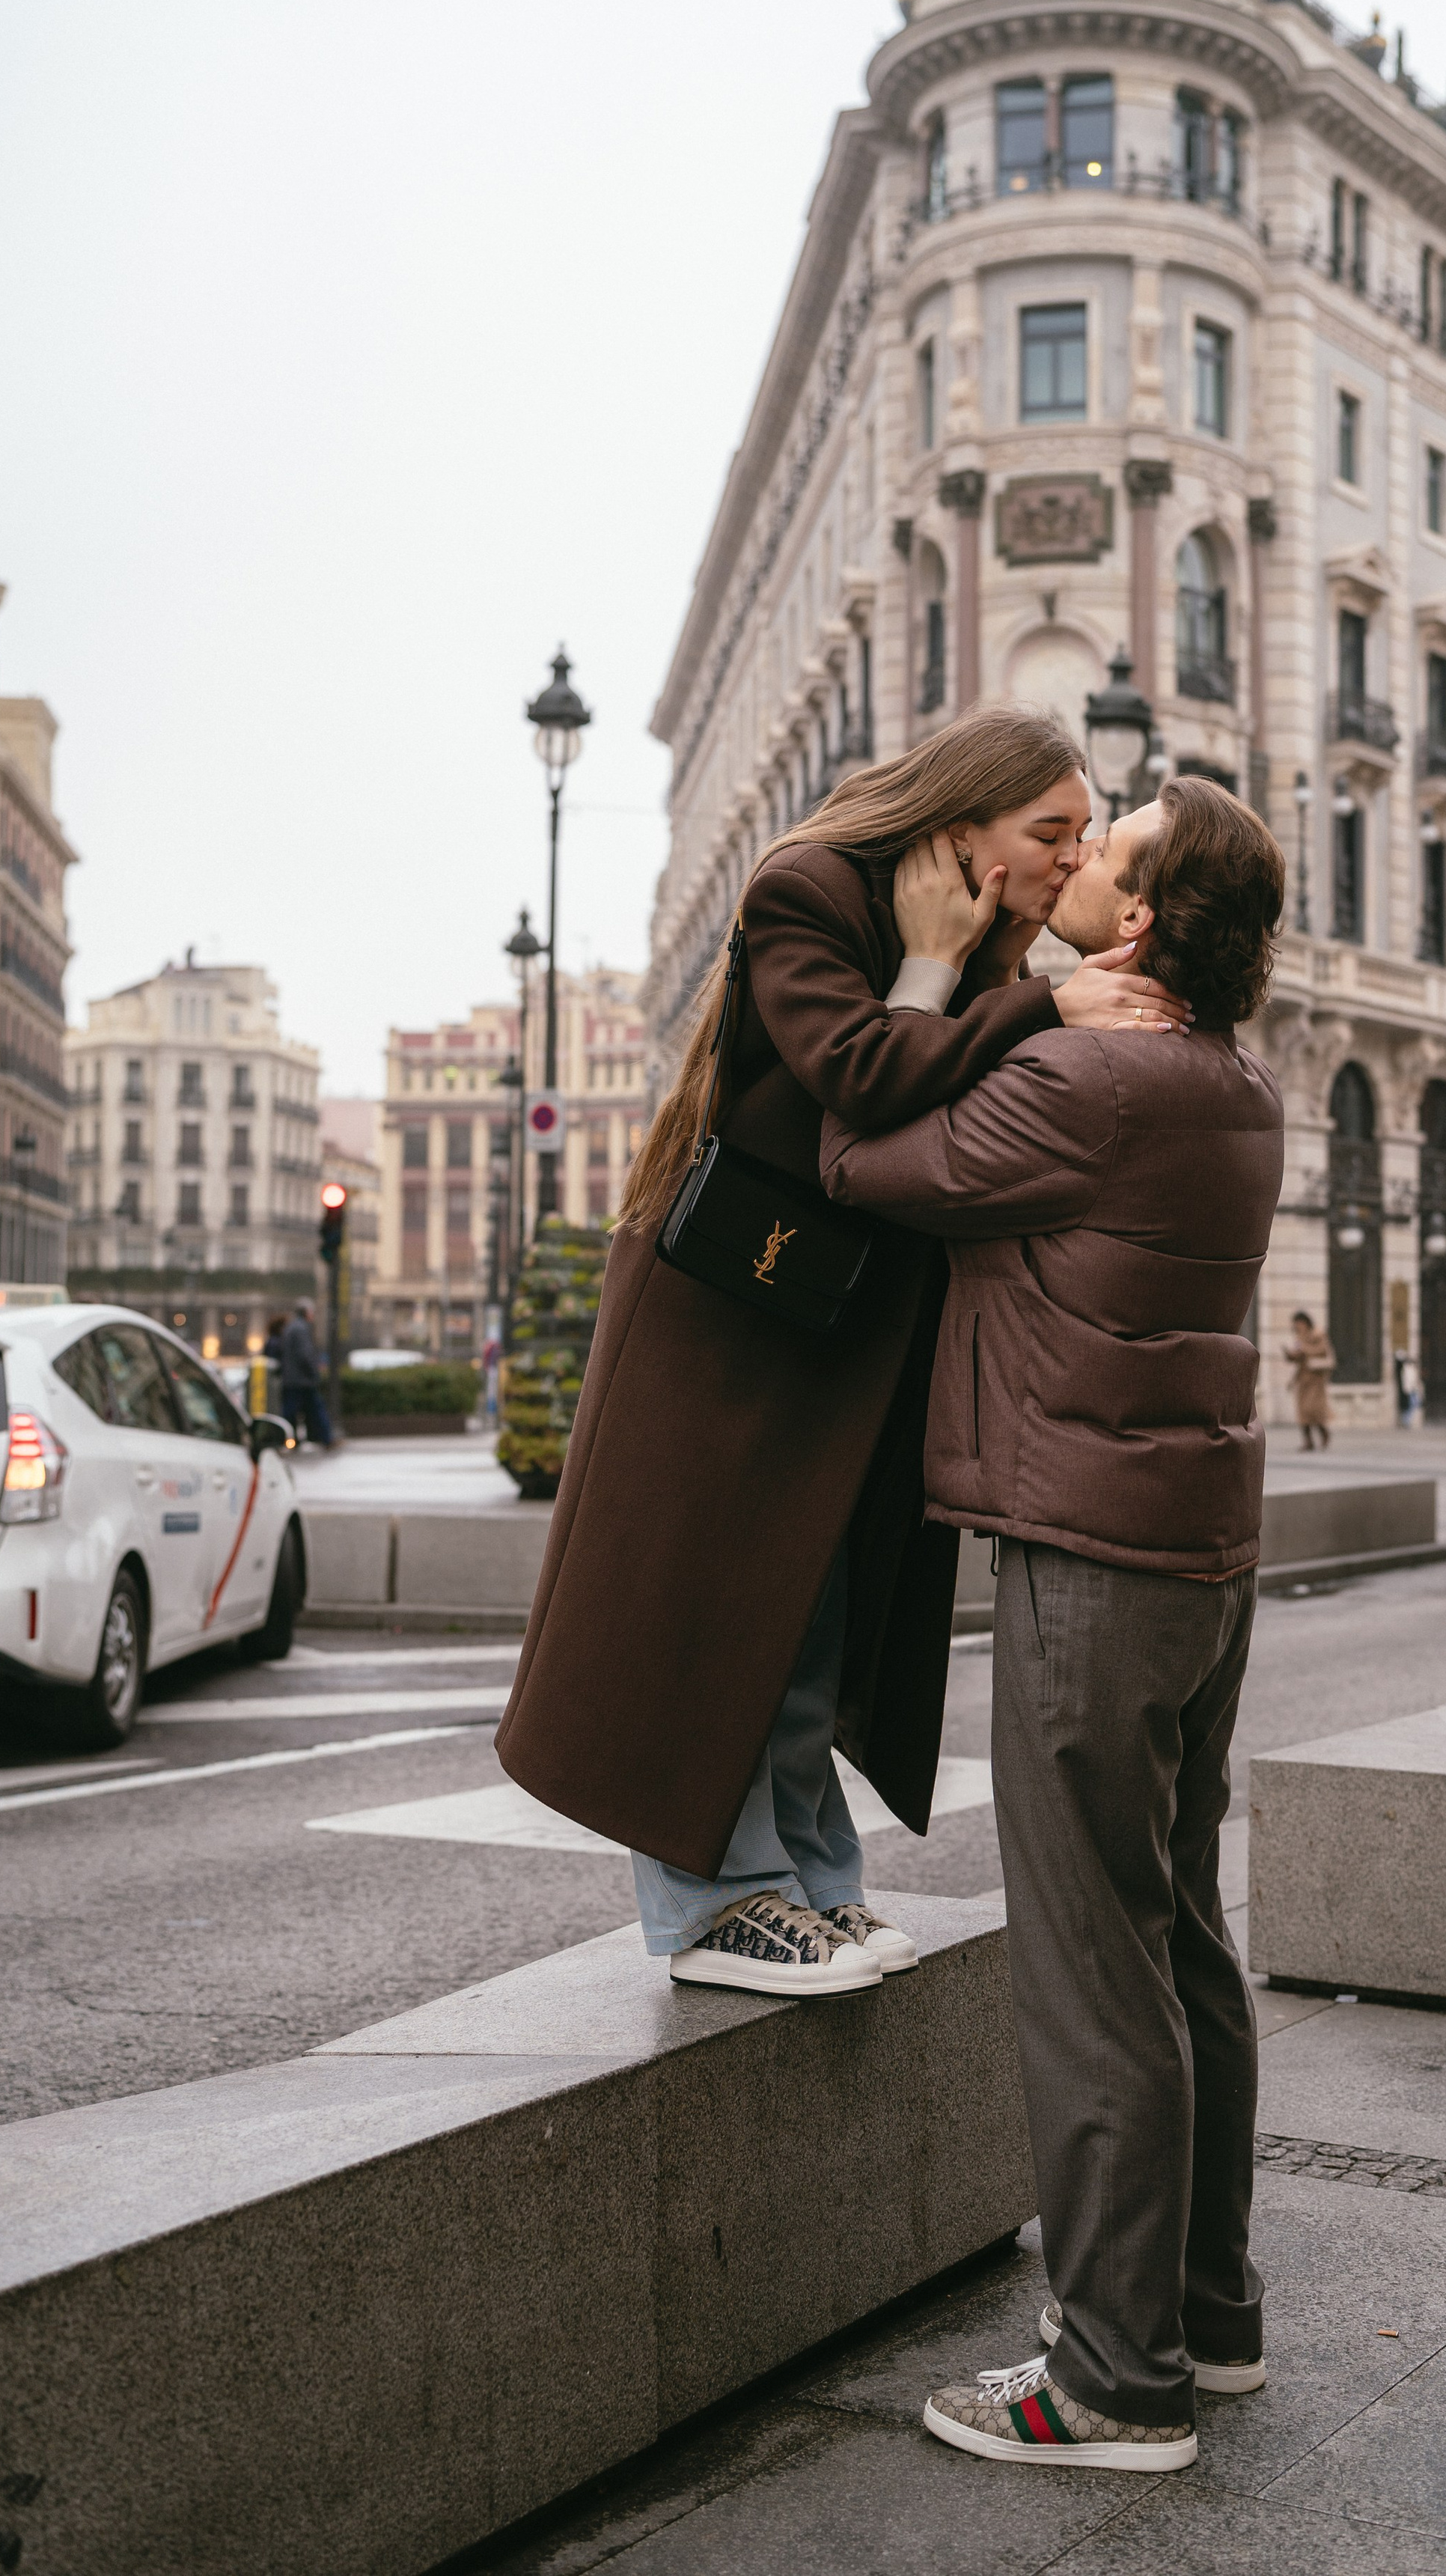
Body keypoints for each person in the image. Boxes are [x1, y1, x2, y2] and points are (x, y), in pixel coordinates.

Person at [495, 710, 1182, 2001]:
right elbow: (860, 1079)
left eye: (1083, 836)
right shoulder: (805, 886)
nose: (1065, 855)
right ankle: (718, 1900)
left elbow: (946, 1103)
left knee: (805, 1607)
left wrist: (1012, 967)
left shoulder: (988, 942)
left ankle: (810, 1880)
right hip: (729, 1311)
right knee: (708, 1609)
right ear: (959, 825)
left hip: (838, 1321)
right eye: (1048, 833)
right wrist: (972, 978)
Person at [822, 776, 1285, 2474]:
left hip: (1088, 1555)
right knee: (1175, 1939)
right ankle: (1205, 2314)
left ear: (1145, 921)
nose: (1073, 864)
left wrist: (940, 976)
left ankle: (1108, 2379)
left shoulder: (1086, 1077)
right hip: (1196, 1549)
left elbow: (860, 1154)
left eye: (1107, 852)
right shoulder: (1235, 1082)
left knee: (1091, 1967)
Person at [277, 1302, 330, 1448]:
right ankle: (325, 1439)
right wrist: (314, 1372)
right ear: (307, 1313)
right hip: (302, 1380)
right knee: (315, 1409)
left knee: (292, 1411)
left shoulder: (291, 1327)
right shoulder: (301, 1329)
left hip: (292, 1379)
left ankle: (289, 1440)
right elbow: (305, 1354)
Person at [1287, 1309, 1334, 1449]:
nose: (1297, 1326)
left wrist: (1304, 1349)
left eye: (1299, 1323)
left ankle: (1324, 1432)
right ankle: (1308, 1441)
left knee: (1313, 1409)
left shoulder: (1317, 1334)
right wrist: (1290, 1355)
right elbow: (1297, 1358)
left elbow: (1323, 1350)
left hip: (1316, 1380)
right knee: (1302, 1412)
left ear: (1305, 1322)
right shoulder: (1299, 1338)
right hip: (1303, 1379)